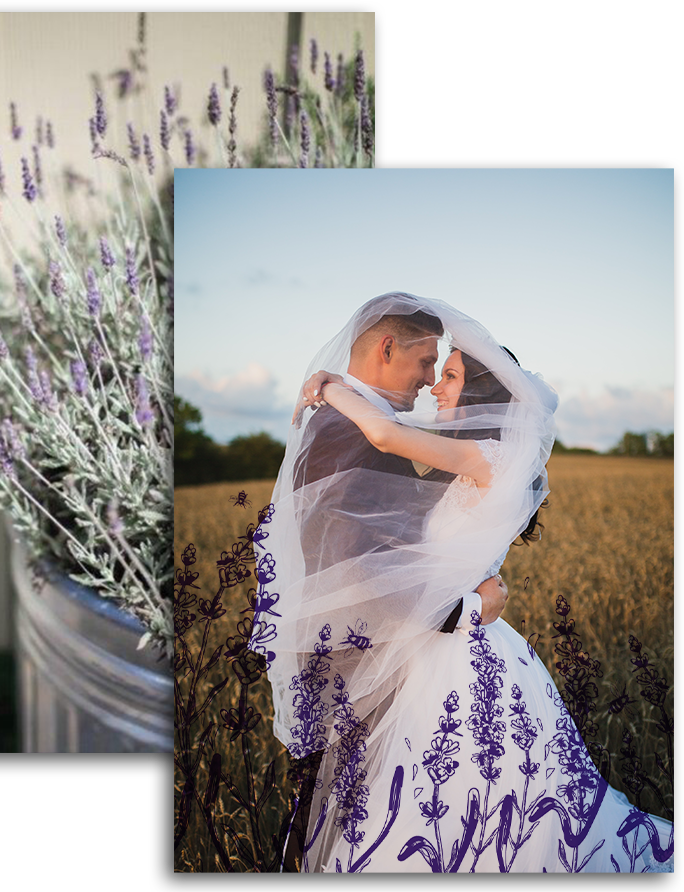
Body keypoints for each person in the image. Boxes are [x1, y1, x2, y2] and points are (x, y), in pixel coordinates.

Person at [248, 293, 673, 873]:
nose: (433, 386)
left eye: (447, 374)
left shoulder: (485, 455)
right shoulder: (474, 455)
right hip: (454, 635)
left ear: (479, 395)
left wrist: (328, 386)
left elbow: (383, 432)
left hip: (456, 649)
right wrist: (475, 601)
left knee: (459, 802)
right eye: (432, 367)